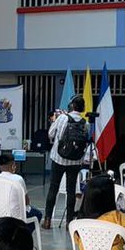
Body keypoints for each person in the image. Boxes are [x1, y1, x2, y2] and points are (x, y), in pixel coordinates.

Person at [43, 96, 90, 229]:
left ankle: (47, 220)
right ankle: (69, 222)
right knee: (71, 191)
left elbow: (50, 134)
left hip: (59, 158)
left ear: (72, 106)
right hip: (75, 161)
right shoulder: (85, 122)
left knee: (54, 188)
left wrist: (54, 122)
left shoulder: (62, 118)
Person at [0, 152, 42, 231]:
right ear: (13, 164)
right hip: (16, 215)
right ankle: (24, 236)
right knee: (38, 214)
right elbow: (26, 201)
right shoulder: (18, 179)